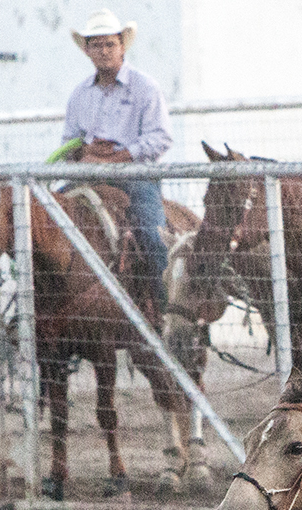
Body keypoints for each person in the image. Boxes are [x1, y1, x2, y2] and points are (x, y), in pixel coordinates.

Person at [61, 8, 173, 311]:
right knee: (45, 220)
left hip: (135, 178)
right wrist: (85, 152)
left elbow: (161, 138)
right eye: (96, 45)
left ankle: (166, 311)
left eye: (110, 44)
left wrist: (117, 157)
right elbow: (67, 144)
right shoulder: (79, 94)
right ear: (87, 51)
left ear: (122, 46)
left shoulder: (145, 87)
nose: (104, 51)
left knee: (153, 237)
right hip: (88, 176)